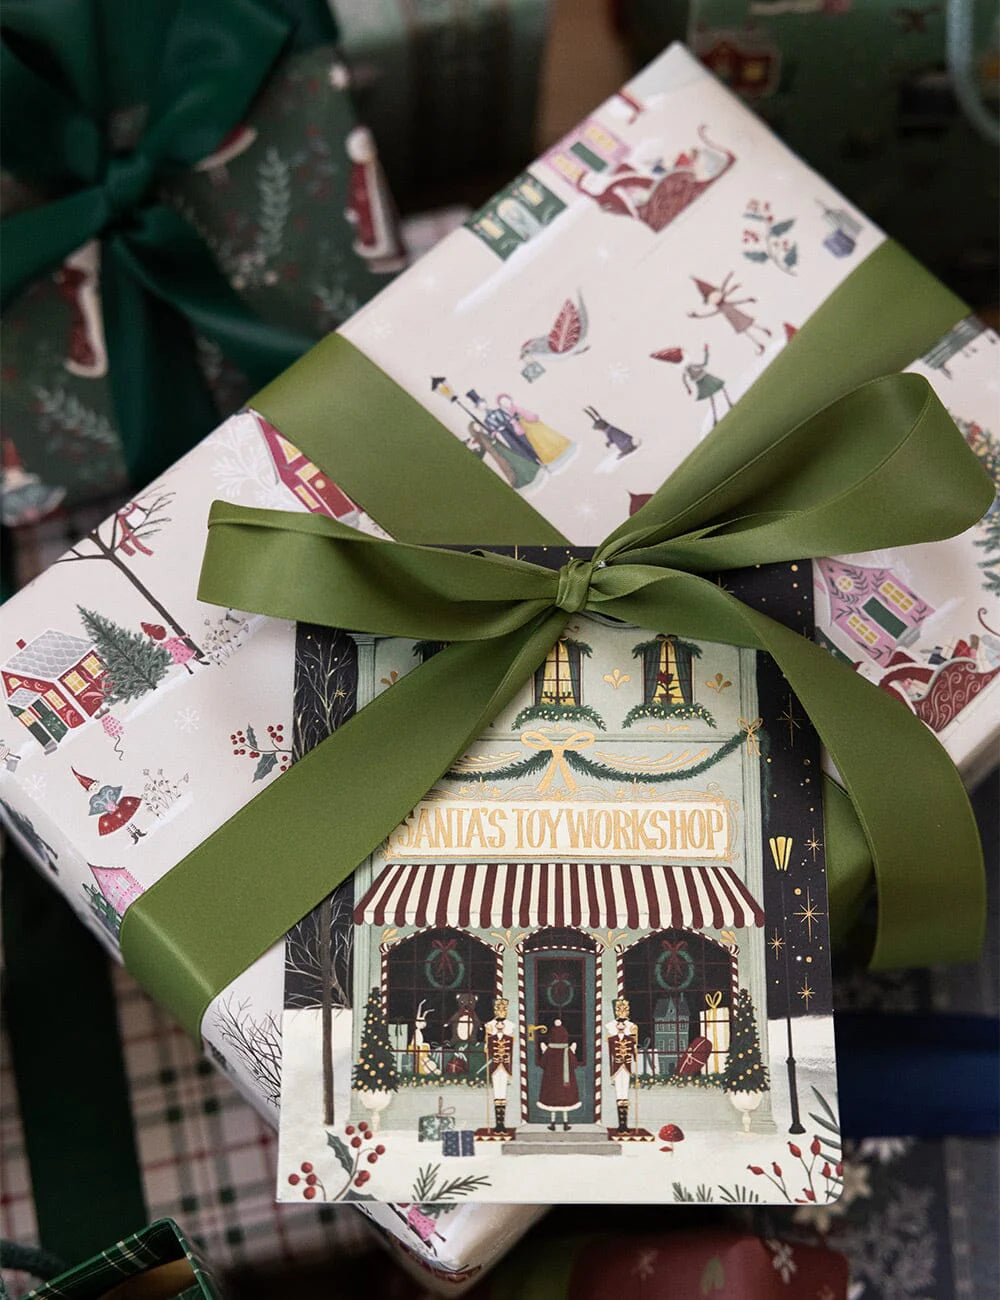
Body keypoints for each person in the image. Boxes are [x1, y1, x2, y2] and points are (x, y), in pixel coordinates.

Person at [537, 1017, 581, 1131]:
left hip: (551, 1082)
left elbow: (542, 1064)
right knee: (565, 1102)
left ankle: (553, 1123)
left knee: (552, 1102)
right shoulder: (567, 1050)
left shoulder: (549, 1051)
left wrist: (544, 1051)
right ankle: (566, 1123)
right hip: (565, 1082)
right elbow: (575, 1064)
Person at [606, 998, 638, 1134]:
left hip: (627, 1066)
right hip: (617, 1066)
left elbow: (634, 1051)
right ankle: (621, 1124)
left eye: (625, 1008)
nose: (622, 1012)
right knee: (620, 1092)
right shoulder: (610, 1028)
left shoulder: (632, 1028)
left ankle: (624, 1125)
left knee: (625, 1092)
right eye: (619, 1009)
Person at [484, 997, 516, 1134]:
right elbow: (487, 1048)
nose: (501, 1011)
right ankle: (498, 1124)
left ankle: (502, 1123)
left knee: (503, 1093)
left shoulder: (510, 1027)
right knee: (497, 1093)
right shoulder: (489, 1026)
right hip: (495, 1066)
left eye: (503, 1009)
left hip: (505, 1066)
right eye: (498, 1008)